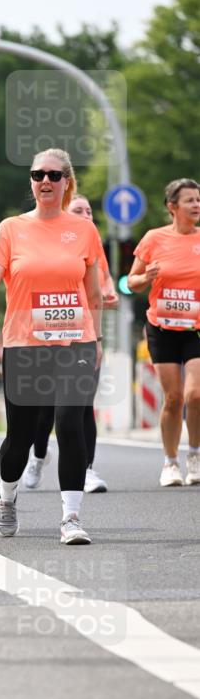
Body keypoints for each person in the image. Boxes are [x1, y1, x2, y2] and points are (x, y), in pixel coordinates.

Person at [0, 148, 103, 545]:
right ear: (31, 182)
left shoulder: (84, 230)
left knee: (70, 422)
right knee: (21, 437)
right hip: (24, 344)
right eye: (37, 174)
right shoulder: (11, 229)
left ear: (67, 182)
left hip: (75, 341)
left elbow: (94, 294)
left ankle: (71, 517)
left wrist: (96, 339)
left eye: (53, 175)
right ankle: (6, 496)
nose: (45, 181)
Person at [22, 193, 119, 493]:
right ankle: (39, 455)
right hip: (46, 338)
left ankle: (85, 470)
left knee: (81, 406)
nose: (87, 216)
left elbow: (105, 283)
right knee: (45, 411)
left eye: (89, 211)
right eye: (79, 210)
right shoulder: (48, 244)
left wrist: (109, 296)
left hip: (83, 338)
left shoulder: (93, 246)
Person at [128, 178, 200, 487]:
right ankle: (170, 462)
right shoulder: (154, 239)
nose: (196, 205)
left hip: (196, 328)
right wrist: (145, 277)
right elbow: (130, 282)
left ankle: (194, 455)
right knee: (172, 398)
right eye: (189, 200)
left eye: (198, 199)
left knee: (195, 395)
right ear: (172, 207)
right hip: (162, 327)